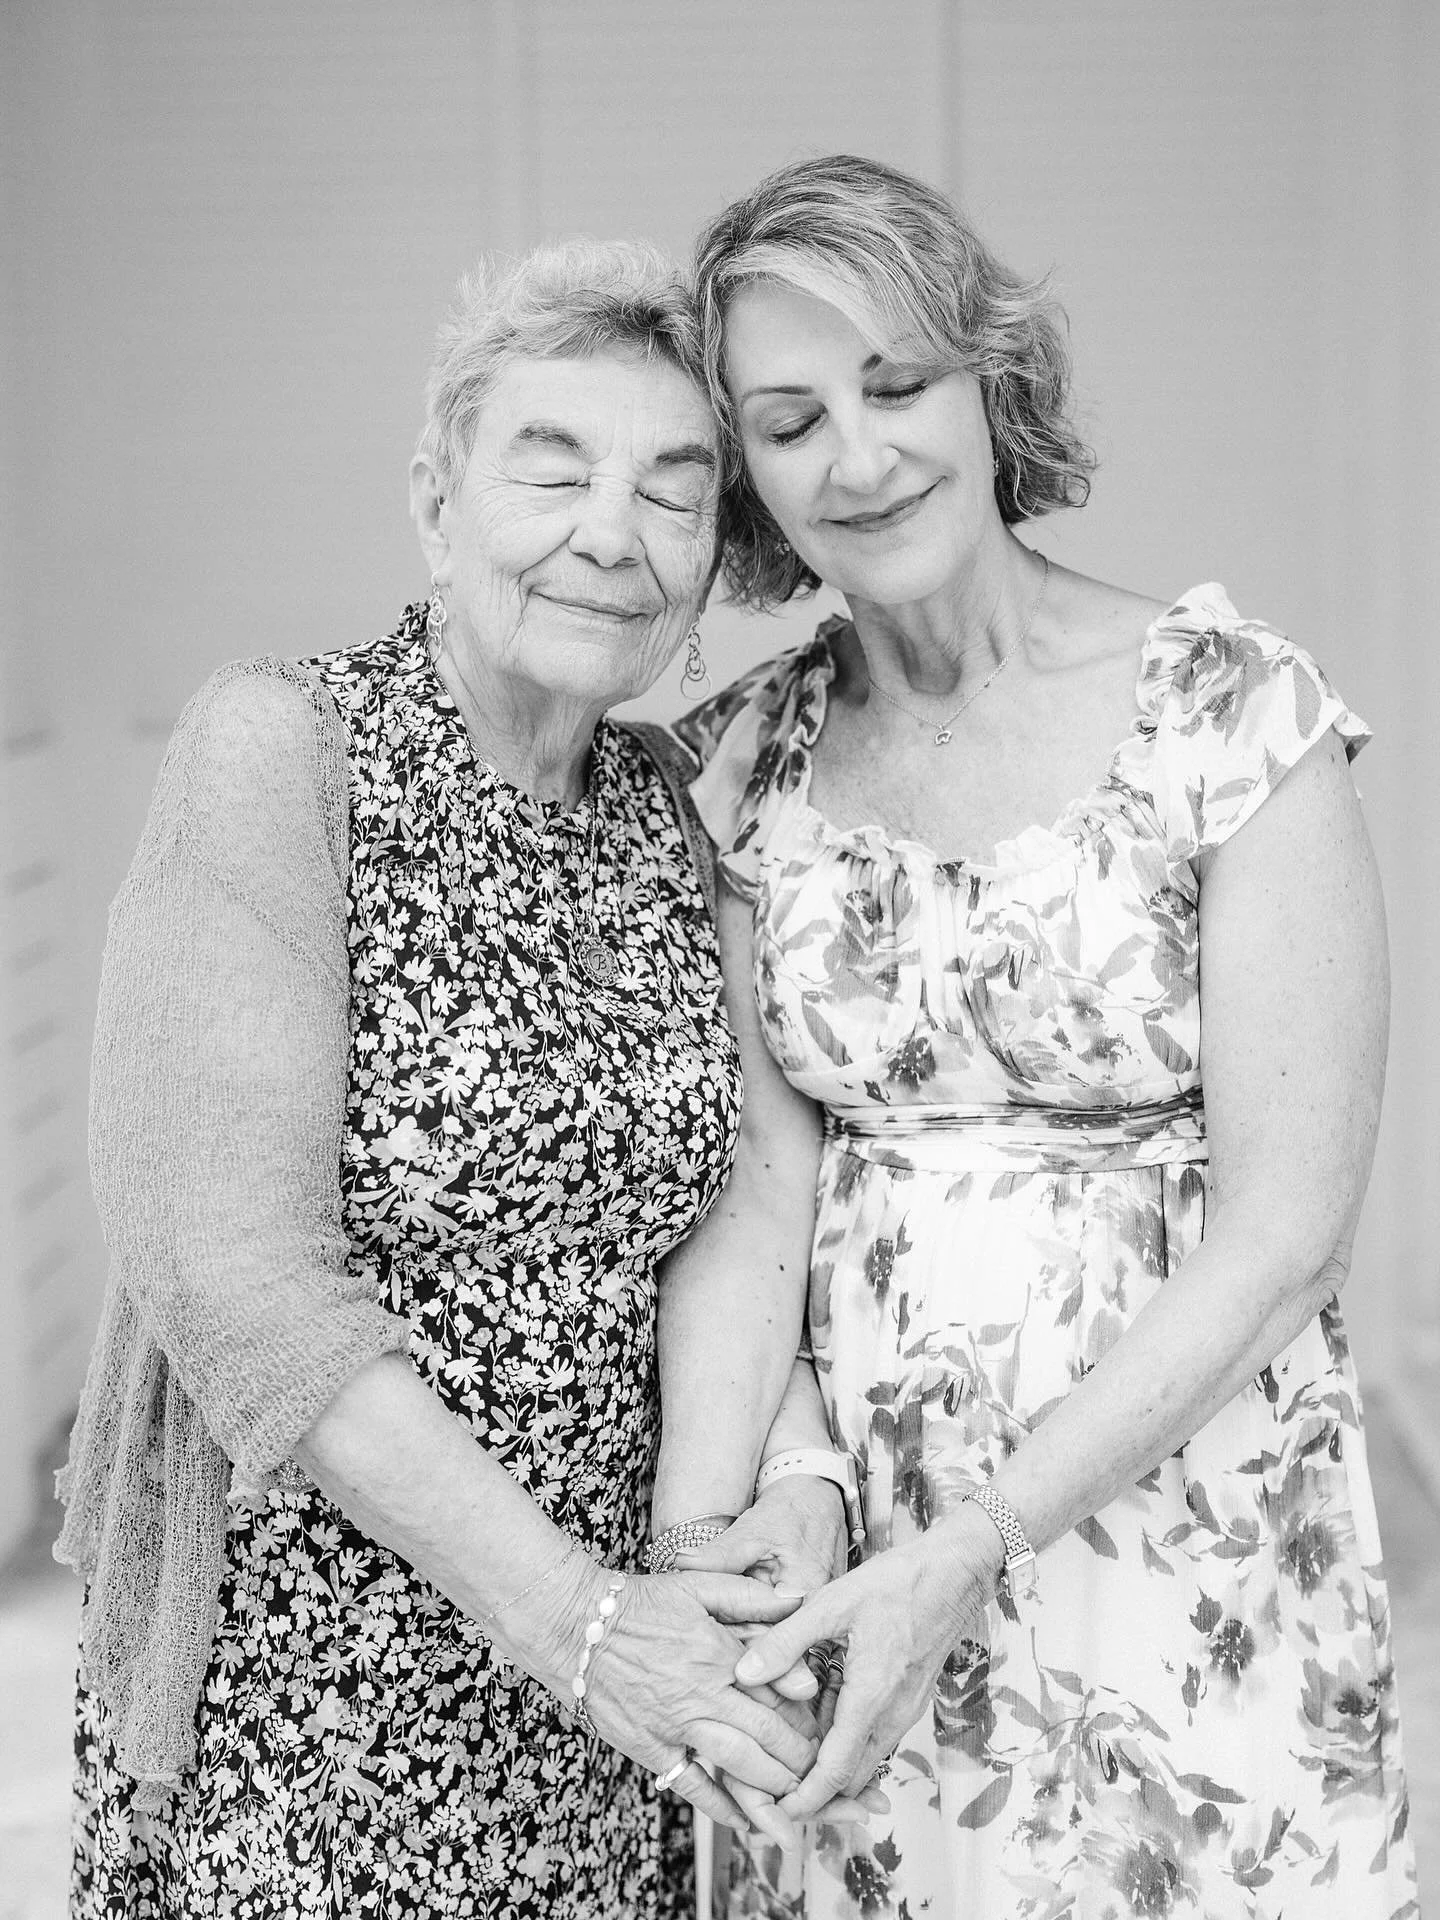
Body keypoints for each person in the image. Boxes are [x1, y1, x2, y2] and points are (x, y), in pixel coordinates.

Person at [653, 156, 1418, 1917]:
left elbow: (1289, 1235)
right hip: (858, 1539)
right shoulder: (742, 763)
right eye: (790, 421)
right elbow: (755, 1197)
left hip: (1180, 1514)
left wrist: (977, 1544)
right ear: (747, 474)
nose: (858, 457)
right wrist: (774, 1496)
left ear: (991, 379)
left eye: (898, 385)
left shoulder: (1230, 712)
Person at [56, 240, 832, 1920]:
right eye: (551, 470)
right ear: (436, 502)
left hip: (604, 1709)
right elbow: (230, 1275)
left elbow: (719, 1217)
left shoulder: (668, 806)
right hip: (314, 1696)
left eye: (674, 490)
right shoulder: (284, 749)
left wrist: (766, 1503)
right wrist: (575, 1619)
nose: (612, 534)